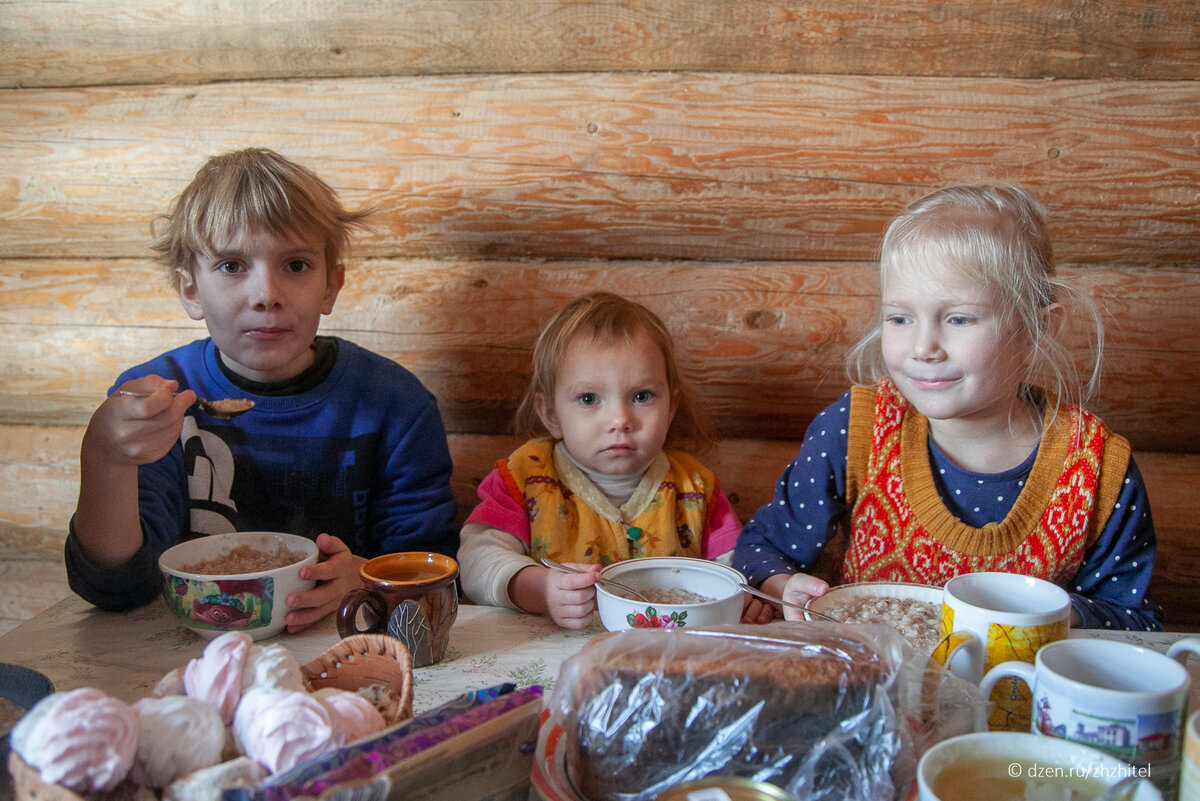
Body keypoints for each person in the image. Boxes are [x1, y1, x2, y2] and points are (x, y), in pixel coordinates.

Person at [734, 183, 1163, 630]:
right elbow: (761, 548)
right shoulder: (856, 429)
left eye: (959, 318)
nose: (923, 347)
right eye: (900, 318)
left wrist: (1055, 616)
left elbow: (1134, 620)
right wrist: (784, 585)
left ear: (1037, 331)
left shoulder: (1098, 469)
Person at [66, 147, 459, 631]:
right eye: (232, 266)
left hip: (345, 646)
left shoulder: (396, 404)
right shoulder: (151, 404)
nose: (266, 294)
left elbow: (430, 570)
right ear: (190, 289)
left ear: (331, 286)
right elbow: (115, 587)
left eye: (295, 265)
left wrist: (366, 580)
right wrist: (106, 456)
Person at [457, 291, 752, 628]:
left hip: (667, 663)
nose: (619, 419)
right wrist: (538, 588)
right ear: (550, 414)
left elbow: (738, 566)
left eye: (641, 396)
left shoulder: (696, 488)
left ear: (671, 407)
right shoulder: (524, 477)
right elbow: (477, 560)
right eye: (588, 398)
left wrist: (747, 594)